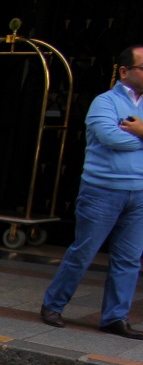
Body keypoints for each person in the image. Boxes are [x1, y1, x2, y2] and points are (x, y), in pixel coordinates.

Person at [40, 45, 143, 339]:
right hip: (102, 190)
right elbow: (111, 138)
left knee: (129, 259)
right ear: (124, 72)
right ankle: (53, 304)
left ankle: (115, 317)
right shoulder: (104, 102)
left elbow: (125, 137)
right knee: (84, 251)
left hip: (139, 193)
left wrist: (139, 131)